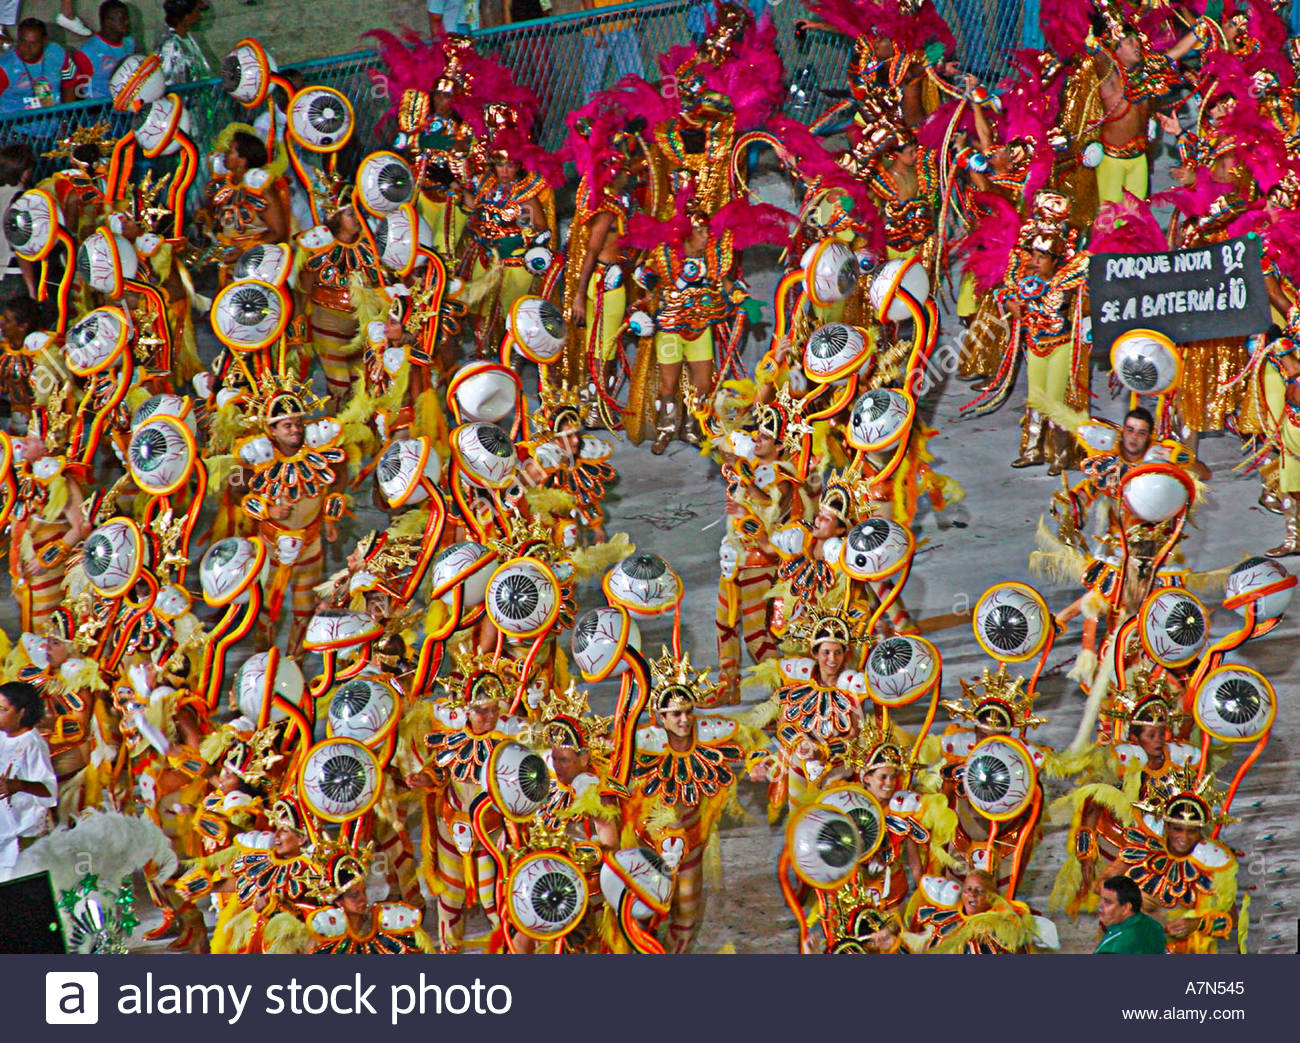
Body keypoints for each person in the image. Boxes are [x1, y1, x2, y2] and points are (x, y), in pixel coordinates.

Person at [0, 681, 57, 882]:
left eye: (3, 710)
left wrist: (19, 785)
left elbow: (50, 791)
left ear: (21, 713)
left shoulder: (33, 744)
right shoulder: (2, 738)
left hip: (23, 838)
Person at [0, 18, 75, 114]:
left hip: (54, 123)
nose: (27, 48)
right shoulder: (5, 66)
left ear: (44, 41)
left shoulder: (57, 52)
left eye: (33, 43)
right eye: (23, 41)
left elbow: (69, 84)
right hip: (17, 127)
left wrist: (67, 119)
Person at [70, 1, 133, 101]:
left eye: (127, 18)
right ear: (108, 22)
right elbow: (76, 90)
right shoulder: (87, 53)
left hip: (126, 106)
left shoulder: (129, 42)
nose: (127, 22)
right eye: (122, 19)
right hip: (98, 111)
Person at [1095, 875, 1166, 953]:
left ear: (1126, 908)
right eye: (1100, 899)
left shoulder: (1114, 946)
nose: (1100, 905)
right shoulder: (1155, 927)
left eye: (1108, 902)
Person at [156, 0, 211, 86]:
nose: (200, 15)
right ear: (186, 16)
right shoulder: (170, 47)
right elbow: (169, 83)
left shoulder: (188, 39)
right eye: (197, 11)